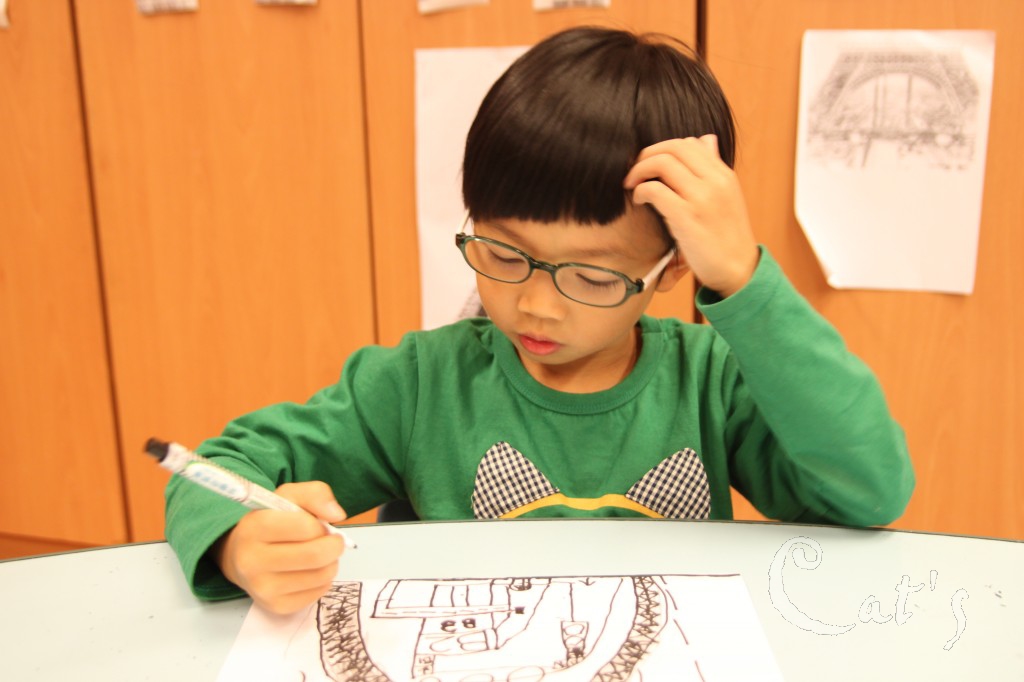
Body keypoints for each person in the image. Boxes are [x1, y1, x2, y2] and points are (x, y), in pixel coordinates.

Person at [164, 26, 914, 615]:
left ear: (672, 268)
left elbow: (870, 493)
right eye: (503, 253)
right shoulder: (419, 387)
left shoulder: (712, 384)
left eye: (593, 276)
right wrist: (240, 541)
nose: (537, 304)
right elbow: (217, 469)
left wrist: (745, 282)